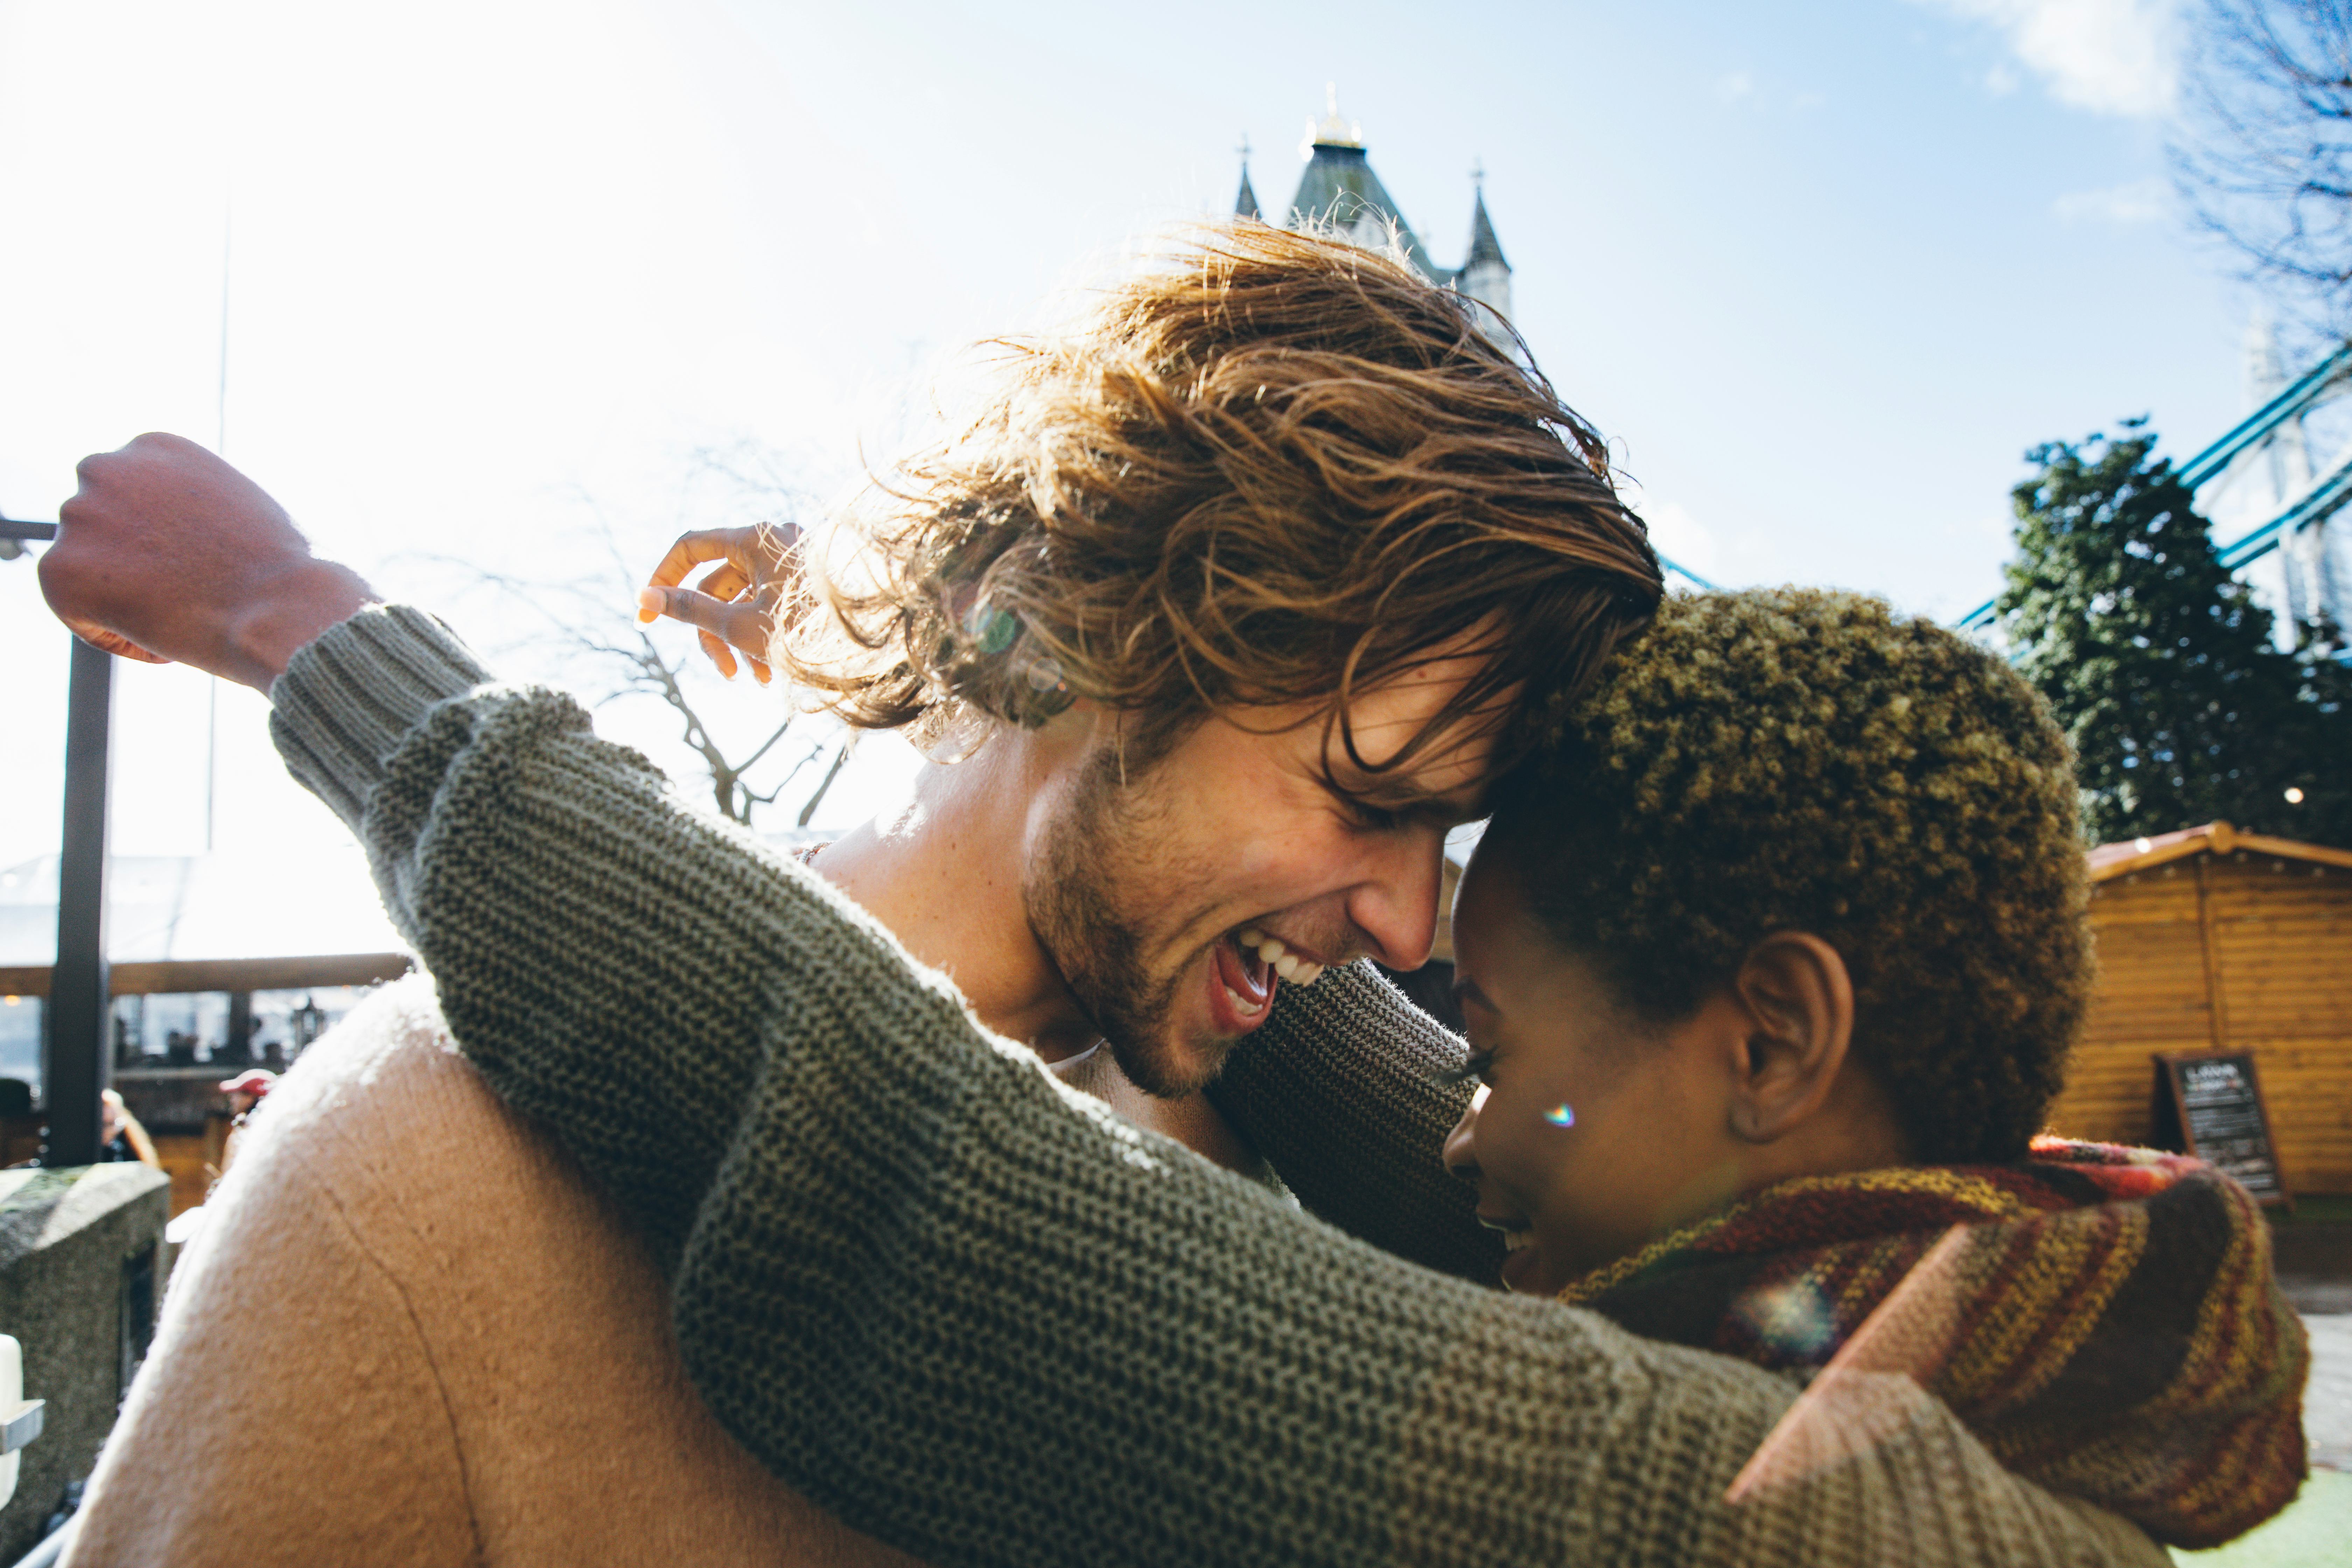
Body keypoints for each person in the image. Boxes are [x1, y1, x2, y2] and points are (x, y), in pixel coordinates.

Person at [39, 226, 2165, 1566]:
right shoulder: (418, 1186)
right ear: (1055, 628)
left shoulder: (1479, 1262)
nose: (1426, 941)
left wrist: (306, 622)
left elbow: (927, 1138)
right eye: (1368, 796)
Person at [1437, 588, 2308, 1549]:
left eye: (1490, 1056)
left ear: (1773, 1046)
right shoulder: (2043, 1336)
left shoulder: (1734, 1483)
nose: (1455, 1140)